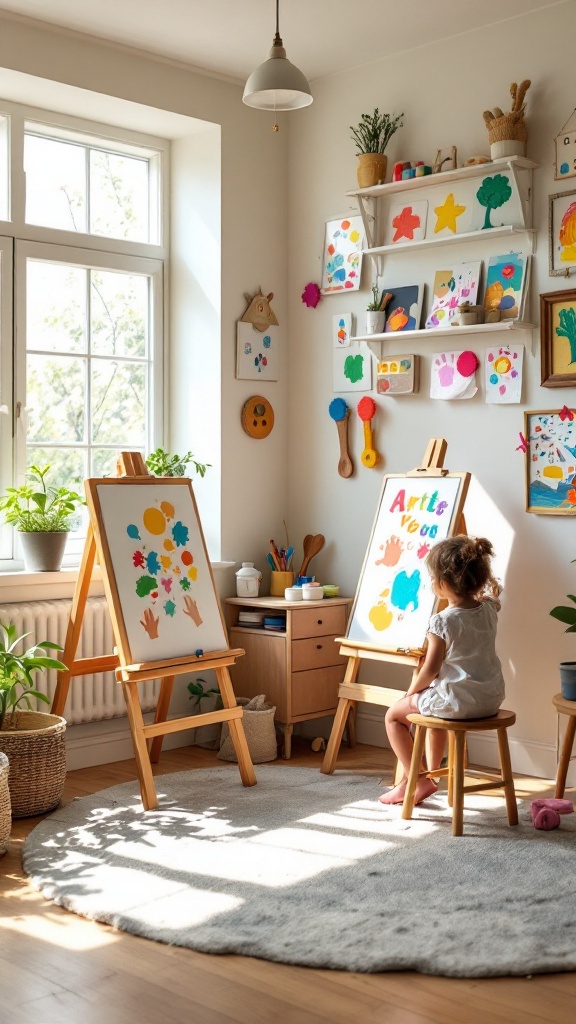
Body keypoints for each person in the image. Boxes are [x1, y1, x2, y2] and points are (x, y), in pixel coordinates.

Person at [379, 535, 505, 806]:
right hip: (490, 699)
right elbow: (495, 595)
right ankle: (428, 779)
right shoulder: (489, 609)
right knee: (432, 712)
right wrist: (487, 589)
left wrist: (409, 693)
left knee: (393, 716)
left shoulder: (443, 621)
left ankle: (419, 778)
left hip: (457, 701)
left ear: (444, 584)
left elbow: (430, 670)